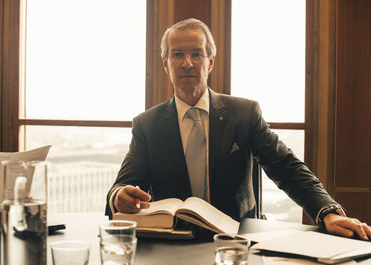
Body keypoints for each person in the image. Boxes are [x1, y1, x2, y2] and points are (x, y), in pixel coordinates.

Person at [105, 18, 371, 240]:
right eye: (177, 54)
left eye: (197, 54)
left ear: (210, 62)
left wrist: (327, 211)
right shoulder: (147, 125)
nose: (187, 63)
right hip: (173, 243)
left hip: (238, 241)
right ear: (166, 64)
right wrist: (119, 196)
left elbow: (286, 167)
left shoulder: (244, 114)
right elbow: (124, 185)